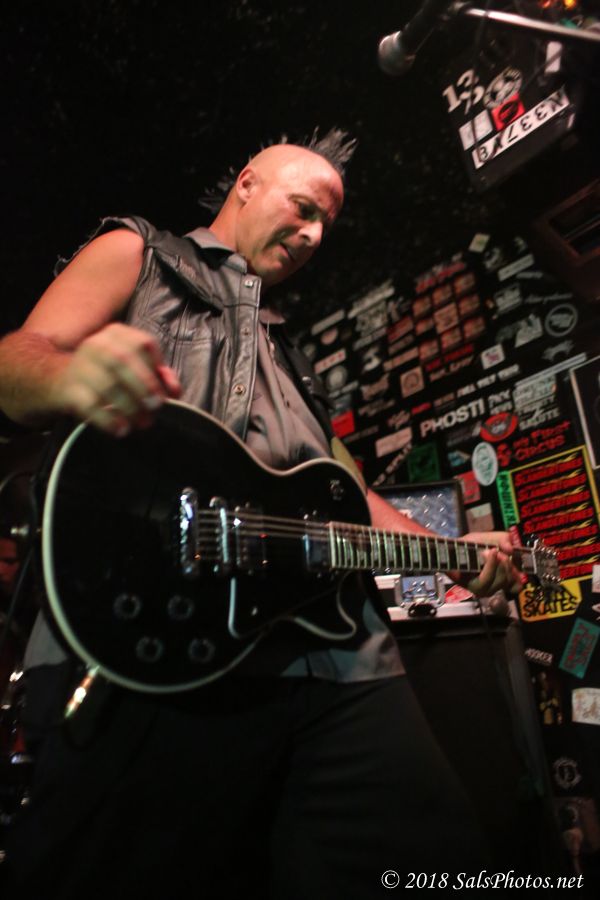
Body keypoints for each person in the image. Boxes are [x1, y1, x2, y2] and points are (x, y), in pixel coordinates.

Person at [0, 130, 521, 899]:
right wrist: (71, 375)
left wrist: (459, 557)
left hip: (336, 666)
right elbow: (15, 361)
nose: (314, 235)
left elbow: (353, 499)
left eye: (326, 225)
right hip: (147, 653)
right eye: (304, 208)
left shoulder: (294, 362)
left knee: (440, 867)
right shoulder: (139, 254)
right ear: (246, 183)